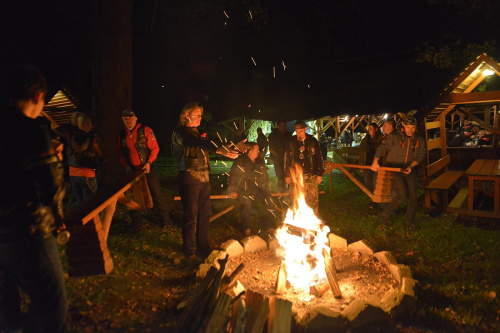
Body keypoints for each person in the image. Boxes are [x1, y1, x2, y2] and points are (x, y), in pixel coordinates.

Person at [0, 65, 67, 332]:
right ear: (38, 97)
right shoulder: (31, 130)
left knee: (6, 308)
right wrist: (55, 160)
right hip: (28, 232)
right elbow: (49, 190)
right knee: (51, 307)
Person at [172, 102, 238, 260]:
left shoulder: (199, 132)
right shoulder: (180, 133)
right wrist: (218, 150)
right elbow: (195, 143)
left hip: (204, 178)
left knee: (205, 214)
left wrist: (228, 147)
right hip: (189, 178)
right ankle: (189, 251)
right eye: (198, 114)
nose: (201, 118)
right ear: (187, 115)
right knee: (191, 215)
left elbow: (211, 140)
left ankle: (203, 247)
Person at [117, 109, 171, 230]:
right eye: (126, 119)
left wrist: (148, 163)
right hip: (132, 170)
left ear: (136, 119)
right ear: (123, 120)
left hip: (148, 169)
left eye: (131, 118)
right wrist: (125, 165)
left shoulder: (146, 130)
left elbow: (155, 149)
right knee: (133, 196)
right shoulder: (121, 135)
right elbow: (120, 153)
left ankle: (165, 220)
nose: (128, 121)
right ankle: (137, 223)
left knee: (156, 193)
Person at [371, 116, 426, 230]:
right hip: (394, 169)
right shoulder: (395, 137)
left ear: (416, 127)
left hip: (409, 170)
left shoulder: (419, 140)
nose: (410, 130)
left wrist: (411, 166)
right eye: (408, 127)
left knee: (413, 197)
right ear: (403, 127)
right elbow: (382, 148)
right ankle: (385, 215)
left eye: (412, 127)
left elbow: (421, 155)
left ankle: (409, 222)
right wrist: (375, 161)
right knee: (401, 195)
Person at [228, 142, 277, 236]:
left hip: (259, 188)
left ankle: (270, 226)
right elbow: (233, 176)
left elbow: (265, 177)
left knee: (269, 199)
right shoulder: (241, 161)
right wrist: (233, 190)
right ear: (249, 150)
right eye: (256, 149)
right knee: (247, 202)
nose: (259, 151)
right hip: (244, 188)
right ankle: (247, 228)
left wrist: (267, 189)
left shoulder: (259, 161)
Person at [284, 120, 325, 214]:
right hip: (296, 176)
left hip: (310, 175)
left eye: (301, 131)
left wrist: (319, 173)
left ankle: (314, 221)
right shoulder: (291, 142)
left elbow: (319, 157)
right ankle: (297, 221)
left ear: (305, 129)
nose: (298, 134)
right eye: (297, 131)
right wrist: (286, 174)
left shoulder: (312, 141)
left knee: (312, 200)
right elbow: (286, 158)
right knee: (295, 199)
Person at [66, 113, 102, 210]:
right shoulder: (93, 138)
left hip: (73, 173)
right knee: (90, 202)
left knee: (76, 201)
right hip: (87, 174)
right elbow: (101, 154)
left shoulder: (71, 136)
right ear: (89, 124)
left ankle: (71, 221)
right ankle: (89, 223)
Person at [359, 123, 382, 206]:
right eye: (369, 129)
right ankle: (373, 199)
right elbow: (362, 153)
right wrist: (361, 166)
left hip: (377, 165)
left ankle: (378, 201)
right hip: (367, 165)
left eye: (371, 128)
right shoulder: (365, 141)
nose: (369, 130)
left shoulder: (380, 140)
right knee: (368, 183)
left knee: (375, 183)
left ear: (376, 129)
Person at [268, 120, 292, 192]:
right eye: (282, 126)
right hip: (277, 159)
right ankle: (281, 193)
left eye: (285, 126)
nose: (284, 128)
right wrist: (280, 157)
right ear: (278, 126)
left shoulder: (288, 134)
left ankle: (290, 192)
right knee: (280, 177)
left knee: (289, 175)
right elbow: (271, 149)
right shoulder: (272, 135)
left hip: (287, 158)